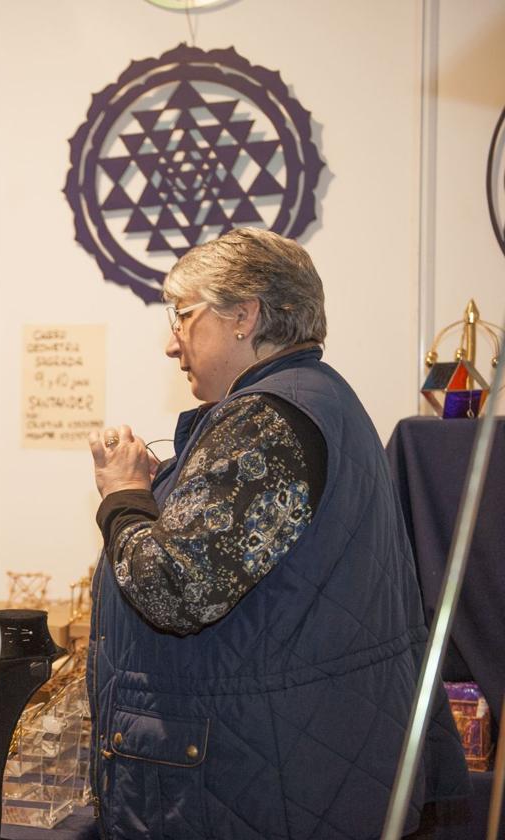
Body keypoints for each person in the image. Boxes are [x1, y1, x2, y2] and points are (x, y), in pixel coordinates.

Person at [85, 228, 467, 840]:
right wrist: (173, 498)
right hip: (298, 757)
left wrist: (123, 496)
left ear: (244, 315)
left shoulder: (264, 418)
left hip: (258, 779)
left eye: (182, 316)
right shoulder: (314, 399)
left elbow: (174, 591)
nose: (170, 343)